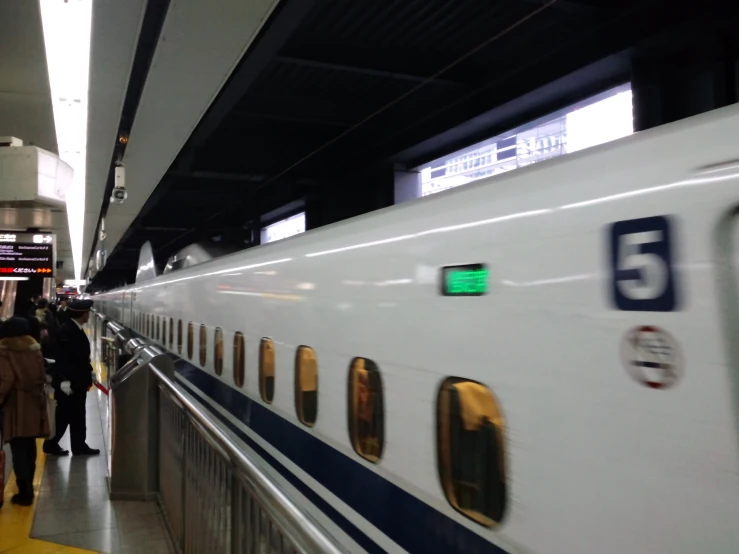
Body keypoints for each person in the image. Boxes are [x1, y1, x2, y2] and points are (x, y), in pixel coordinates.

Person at [0, 317, 50, 506]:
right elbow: (42, 376)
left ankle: (25, 492)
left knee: (17, 447)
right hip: (34, 402)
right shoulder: (35, 348)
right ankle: (28, 483)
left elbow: (6, 380)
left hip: (15, 405)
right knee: (29, 446)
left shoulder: (4, 351)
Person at [43, 299, 99, 456]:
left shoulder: (74, 328)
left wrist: (89, 371)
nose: (89, 315)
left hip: (77, 380)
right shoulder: (69, 331)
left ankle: (79, 445)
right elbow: (63, 358)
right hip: (70, 383)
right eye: (87, 312)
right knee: (65, 415)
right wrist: (63, 380)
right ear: (82, 314)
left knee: (77, 415)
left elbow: (80, 357)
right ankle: (51, 444)